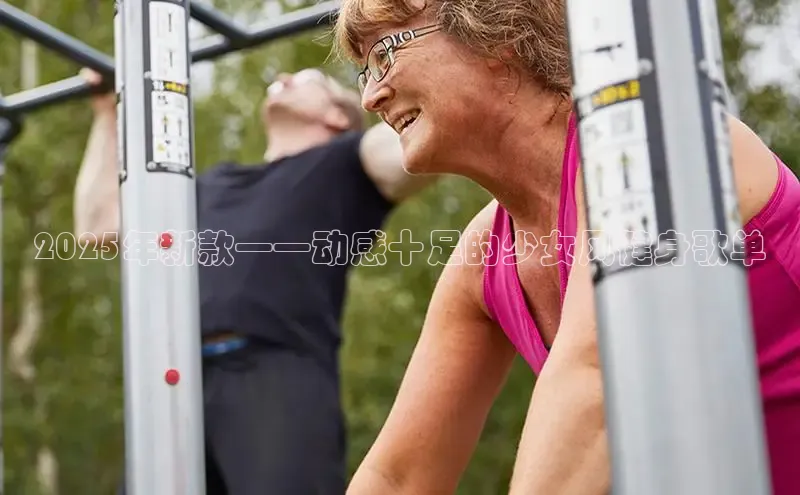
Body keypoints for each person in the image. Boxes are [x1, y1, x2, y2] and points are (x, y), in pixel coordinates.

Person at [331, 1, 800, 494]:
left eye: (384, 55)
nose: (370, 97)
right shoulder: (483, 257)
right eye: (364, 72)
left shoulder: (657, 142)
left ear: (495, 33)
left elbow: (595, 382)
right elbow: (398, 477)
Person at [73, 67, 436, 494]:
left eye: (307, 78)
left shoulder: (344, 164)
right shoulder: (207, 186)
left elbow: (431, 137)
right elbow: (99, 226)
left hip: (276, 376)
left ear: (338, 116)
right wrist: (106, 113)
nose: (283, 76)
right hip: (176, 379)